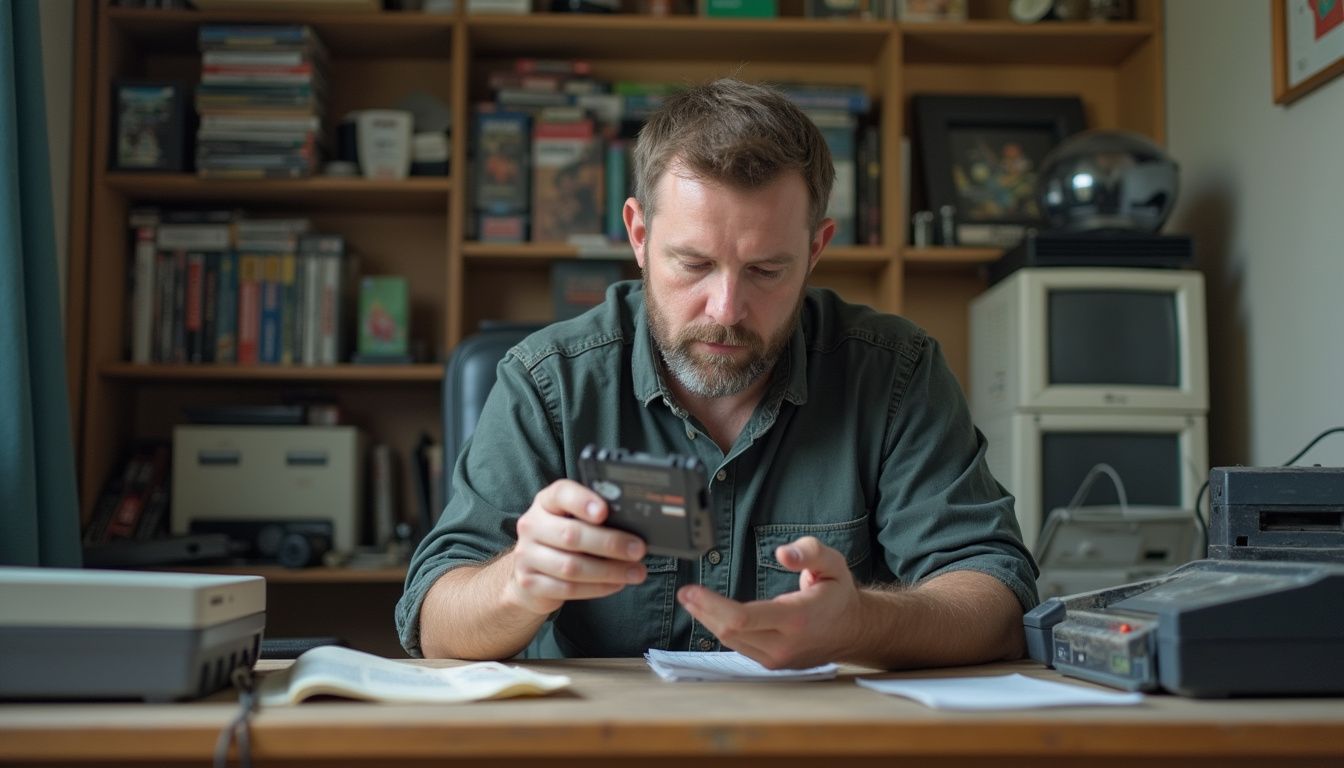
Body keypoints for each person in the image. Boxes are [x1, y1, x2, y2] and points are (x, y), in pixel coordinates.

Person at [397, 78, 1038, 670]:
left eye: (766, 271)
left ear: (816, 249)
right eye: (694, 264)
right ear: (639, 236)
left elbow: (997, 595)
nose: (726, 311)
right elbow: (432, 620)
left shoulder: (894, 372)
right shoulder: (548, 381)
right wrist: (517, 583)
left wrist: (863, 623)